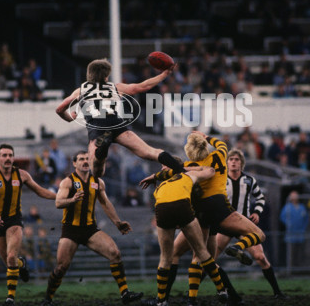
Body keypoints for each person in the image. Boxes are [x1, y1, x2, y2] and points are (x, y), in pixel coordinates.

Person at [141, 132, 263, 306]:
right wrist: (206, 137)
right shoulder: (218, 155)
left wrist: (157, 176)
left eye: (164, 167)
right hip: (218, 209)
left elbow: (182, 172)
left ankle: (168, 299)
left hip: (200, 213)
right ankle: (230, 292)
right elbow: (221, 146)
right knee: (207, 259)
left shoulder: (188, 167)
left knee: (190, 256)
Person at [40, 151, 143, 306]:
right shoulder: (67, 182)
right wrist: (72, 200)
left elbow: (106, 203)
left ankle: (125, 294)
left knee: (115, 253)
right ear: (74, 163)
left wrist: (117, 222)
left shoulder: (98, 182)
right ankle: (47, 299)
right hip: (71, 230)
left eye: (87, 159)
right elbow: (58, 203)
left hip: (90, 229)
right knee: (61, 267)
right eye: (81, 159)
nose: (85, 161)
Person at [55, 58, 184, 180]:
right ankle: (181, 169)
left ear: (90, 74)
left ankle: (102, 150)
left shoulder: (81, 90)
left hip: (97, 126)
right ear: (106, 76)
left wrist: (70, 118)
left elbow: (59, 109)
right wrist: (164, 74)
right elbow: (142, 86)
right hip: (116, 124)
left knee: (97, 171)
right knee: (150, 152)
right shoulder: (115, 87)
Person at [0, 143, 56, 305]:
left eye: (10, 155)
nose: (7, 158)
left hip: (14, 220)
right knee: (9, 262)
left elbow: (40, 190)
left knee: (11, 256)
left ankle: (10, 297)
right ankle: (22, 264)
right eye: (4, 155)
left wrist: (60, 197)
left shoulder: (22, 175)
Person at [143, 162, 227, 306]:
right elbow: (210, 170)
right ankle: (221, 289)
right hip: (187, 209)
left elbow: (166, 206)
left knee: (165, 257)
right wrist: (182, 168)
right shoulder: (188, 175)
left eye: (165, 167)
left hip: (163, 209)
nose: (162, 169)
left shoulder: (160, 187)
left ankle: (161, 300)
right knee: (201, 251)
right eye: (161, 167)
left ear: (173, 168)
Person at [215, 149, 286, 299]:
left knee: (261, 257)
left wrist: (257, 212)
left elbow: (260, 198)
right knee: (209, 260)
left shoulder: (249, 180)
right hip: (226, 225)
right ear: (227, 163)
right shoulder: (220, 180)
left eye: (236, 159)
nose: (233, 162)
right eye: (231, 159)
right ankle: (191, 296)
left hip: (244, 225)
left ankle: (278, 293)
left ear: (241, 163)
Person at [279, 191, 309, 273]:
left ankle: (299, 270)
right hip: (291, 235)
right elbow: (282, 217)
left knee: (300, 253)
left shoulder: (302, 207)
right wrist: (289, 224)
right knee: (291, 254)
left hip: (300, 235)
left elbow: (306, 219)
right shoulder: (287, 207)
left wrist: (303, 228)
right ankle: (291, 270)